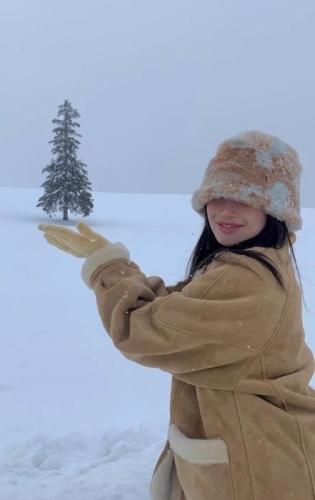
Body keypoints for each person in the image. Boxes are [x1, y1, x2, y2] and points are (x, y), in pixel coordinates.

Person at [38, 130, 315, 500]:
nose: (226, 209)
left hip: (252, 470)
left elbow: (141, 329)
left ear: (275, 209)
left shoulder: (244, 279)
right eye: (218, 194)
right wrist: (117, 265)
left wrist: (108, 268)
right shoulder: (260, 262)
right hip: (268, 449)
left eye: (246, 198)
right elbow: (177, 310)